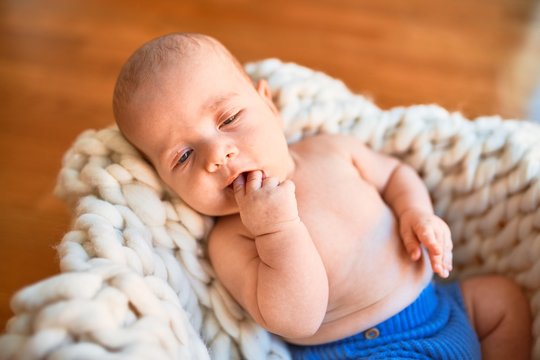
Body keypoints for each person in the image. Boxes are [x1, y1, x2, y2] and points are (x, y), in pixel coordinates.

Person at [112, 32, 532, 359]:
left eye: (229, 118)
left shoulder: (331, 149)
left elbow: (396, 175)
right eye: (184, 156)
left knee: (503, 300)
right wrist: (277, 229)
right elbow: (297, 319)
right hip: (369, 348)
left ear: (268, 105)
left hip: (445, 307)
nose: (217, 154)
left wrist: (416, 213)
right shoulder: (233, 239)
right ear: (164, 181)